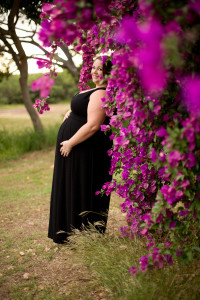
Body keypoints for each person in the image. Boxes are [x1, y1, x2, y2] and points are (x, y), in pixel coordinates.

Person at [48, 56, 113, 244]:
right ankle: (69, 231)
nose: (95, 71)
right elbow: (85, 112)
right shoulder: (93, 90)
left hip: (85, 149)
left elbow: (93, 125)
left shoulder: (103, 93)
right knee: (72, 185)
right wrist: (72, 113)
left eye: (100, 69)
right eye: (93, 67)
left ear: (110, 73)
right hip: (78, 148)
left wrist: (70, 143)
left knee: (83, 185)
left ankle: (83, 234)